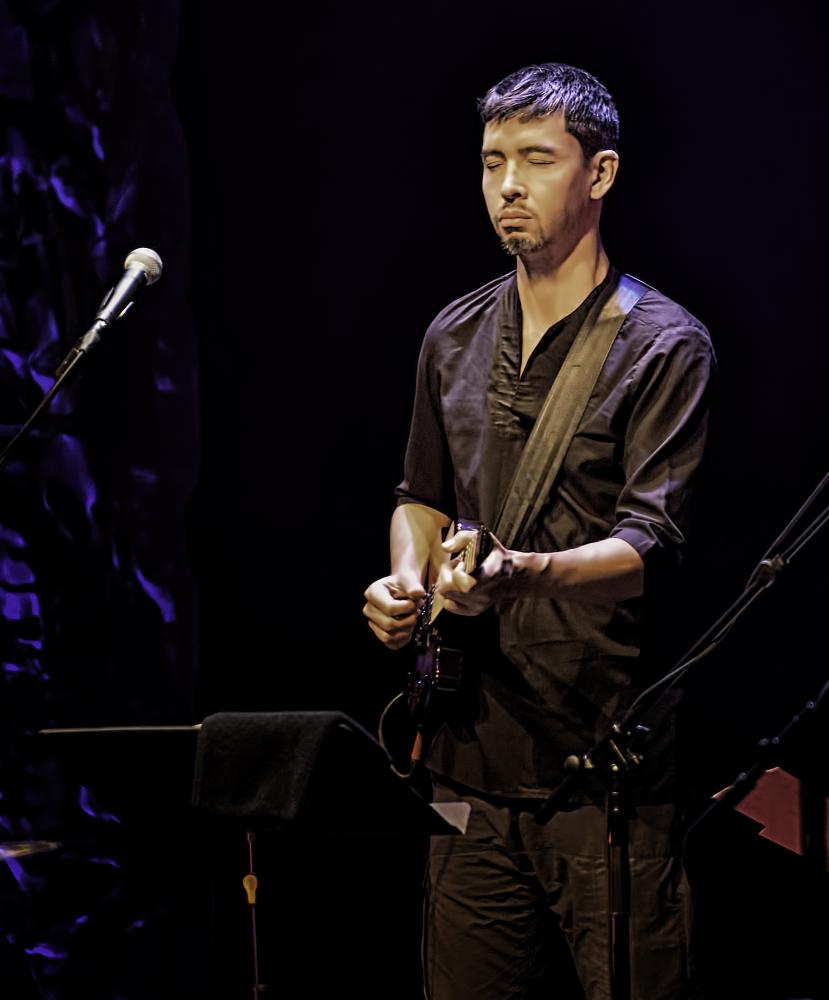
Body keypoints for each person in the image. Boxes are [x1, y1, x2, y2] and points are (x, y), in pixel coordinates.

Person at [362, 62, 714, 1000]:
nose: (507, 186)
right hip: (467, 761)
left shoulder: (664, 343)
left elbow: (651, 544)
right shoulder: (453, 333)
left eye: (534, 160)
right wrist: (404, 581)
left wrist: (520, 573)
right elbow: (419, 494)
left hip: (601, 771)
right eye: (489, 163)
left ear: (597, 174)